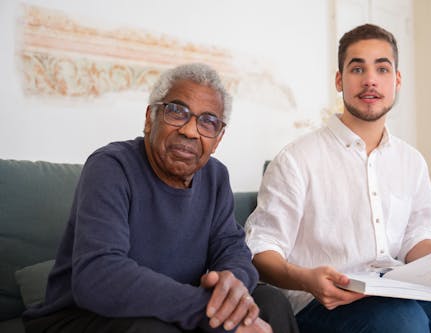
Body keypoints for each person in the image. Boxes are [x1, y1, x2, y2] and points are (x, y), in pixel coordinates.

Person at [245, 24, 431, 332]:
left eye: (382, 68)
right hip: (325, 303)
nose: (370, 80)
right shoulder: (297, 159)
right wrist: (306, 279)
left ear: (397, 80)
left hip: (399, 289)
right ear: (339, 80)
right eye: (357, 69)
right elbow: (261, 248)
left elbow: (413, 238)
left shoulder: (411, 161)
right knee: (404, 322)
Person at [23, 63, 299, 333]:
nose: (190, 131)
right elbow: (98, 276)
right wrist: (208, 310)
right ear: (149, 118)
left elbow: (233, 249)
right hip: (81, 316)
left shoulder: (215, 177)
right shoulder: (111, 166)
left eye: (208, 122)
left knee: (271, 303)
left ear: (217, 139)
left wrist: (233, 284)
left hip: (169, 308)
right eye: (177, 112)